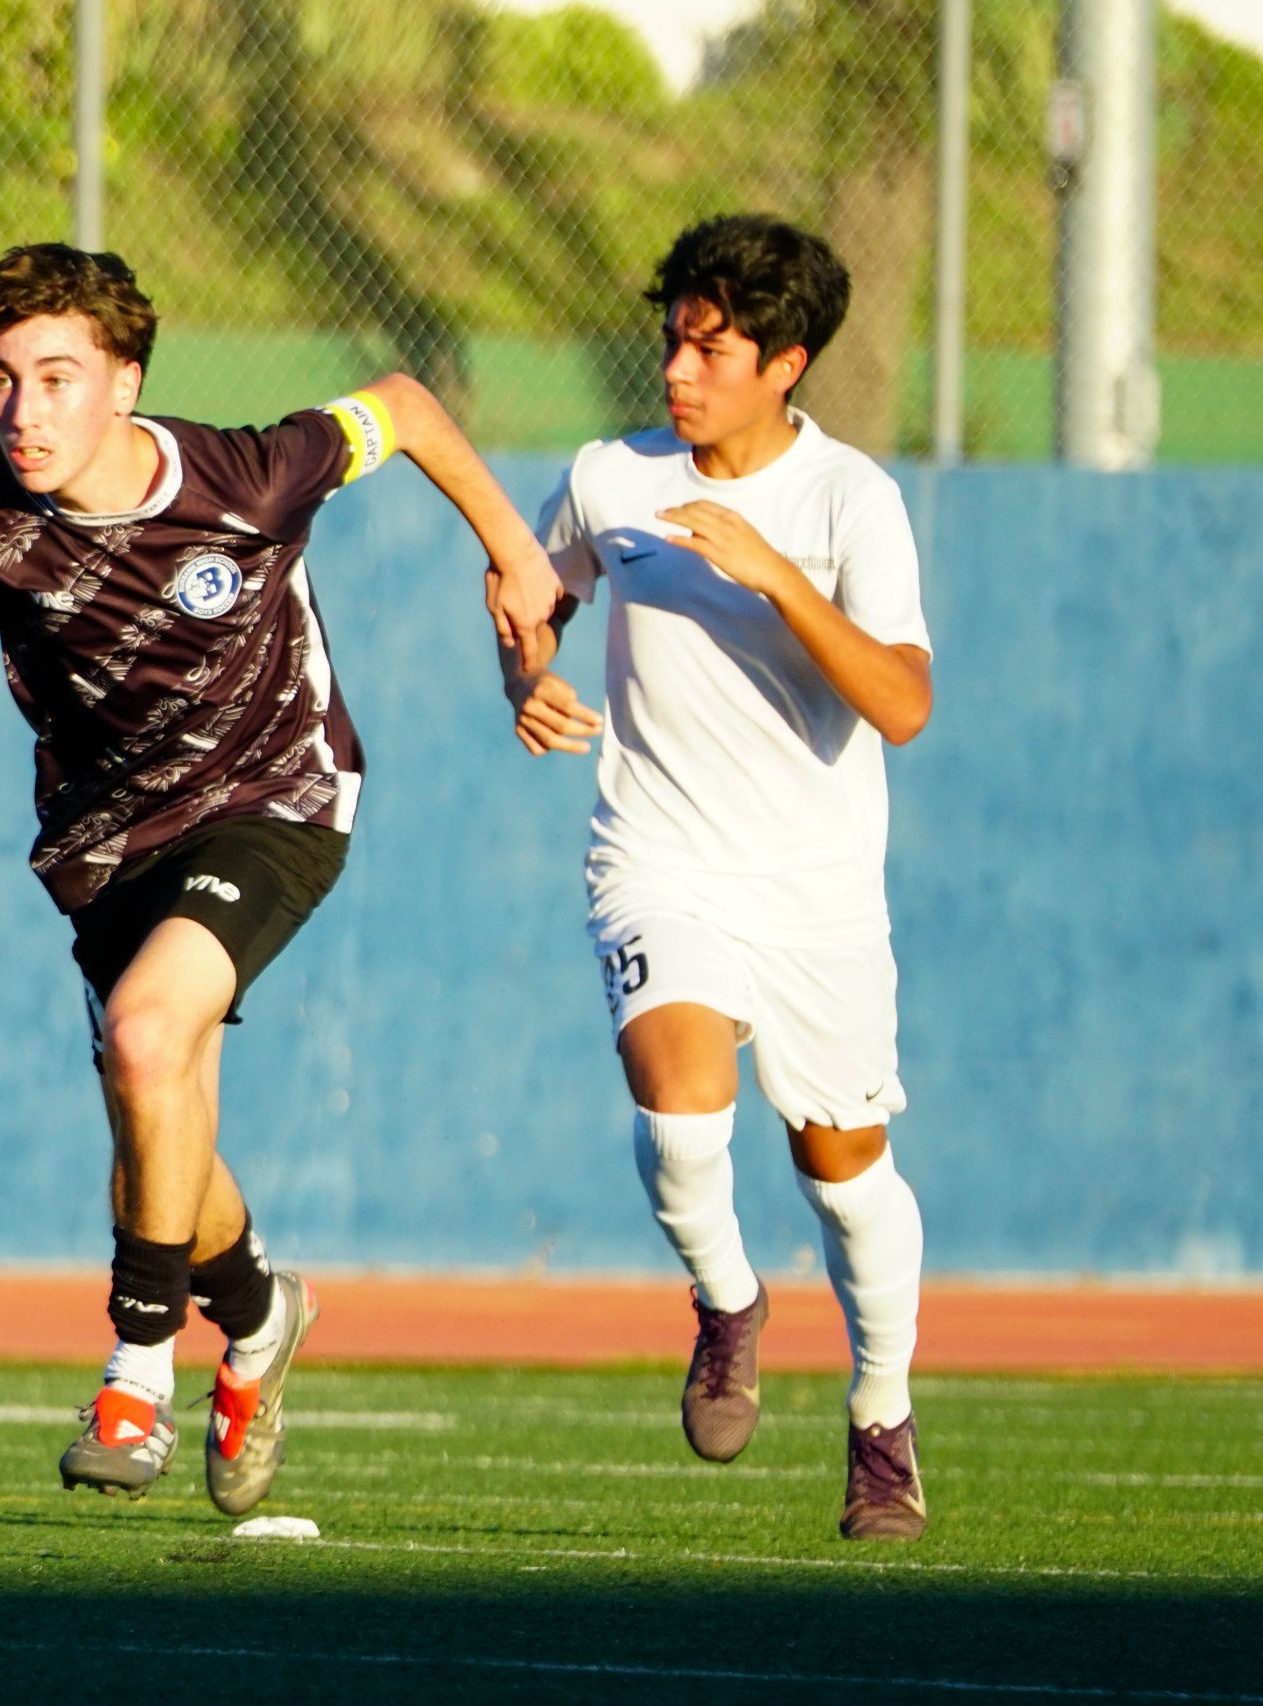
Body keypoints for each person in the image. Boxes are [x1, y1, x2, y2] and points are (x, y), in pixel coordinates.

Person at [0, 242, 561, 1510]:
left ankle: (137, 1374)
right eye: (3, 378)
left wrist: (513, 547)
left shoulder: (248, 474)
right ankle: (258, 1312)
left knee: (146, 1034)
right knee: (158, 1117)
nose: (24, 410)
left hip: (273, 796)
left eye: (57, 377)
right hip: (103, 845)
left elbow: (404, 406)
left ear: (125, 381)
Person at [501, 215, 935, 1538]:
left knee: (844, 1174)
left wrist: (776, 577)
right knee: (682, 1105)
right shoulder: (608, 476)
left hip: (816, 890)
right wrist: (526, 673)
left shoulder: (851, 498)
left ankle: (880, 1413)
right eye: (672, 341)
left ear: (785, 364)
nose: (678, 371)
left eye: (711, 349)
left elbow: (902, 703)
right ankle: (729, 1298)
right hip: (657, 853)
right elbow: (531, 593)